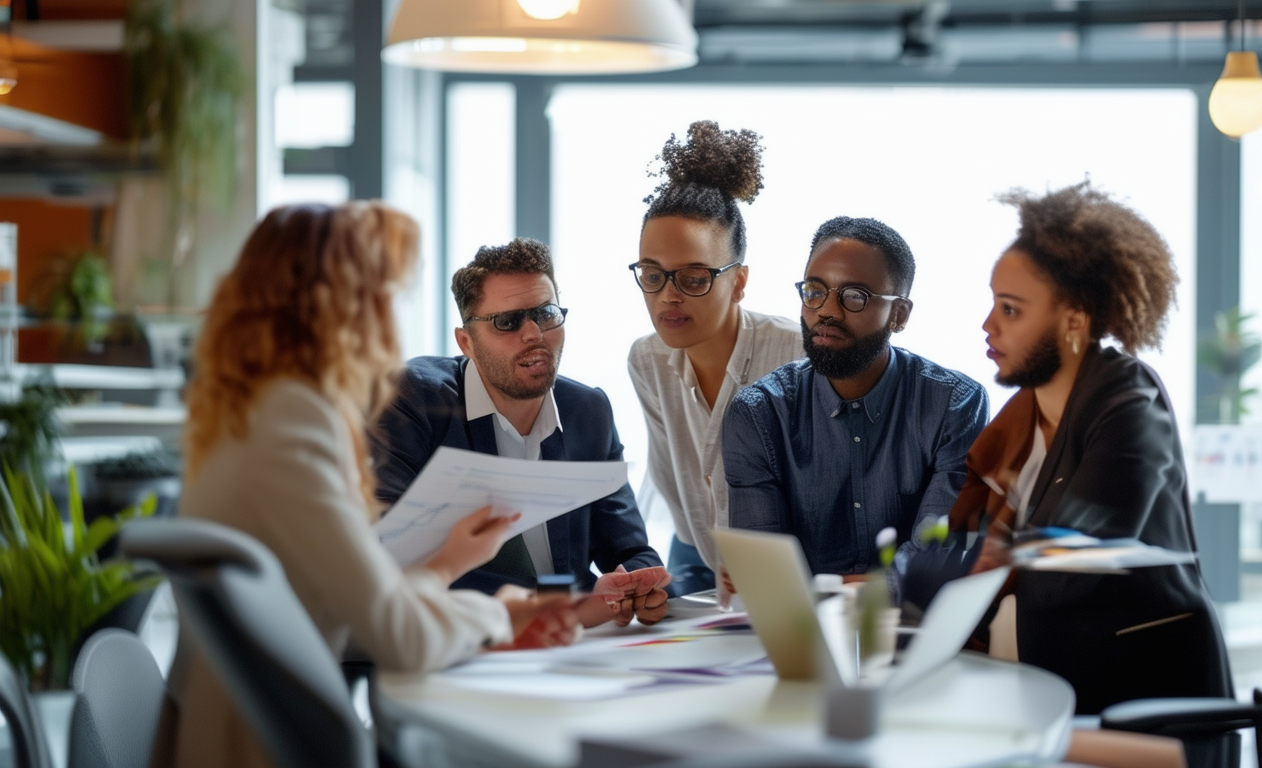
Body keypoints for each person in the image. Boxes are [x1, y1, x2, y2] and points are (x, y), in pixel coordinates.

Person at [174, 203, 579, 768]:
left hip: (235, 728)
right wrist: (502, 614)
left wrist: (443, 566)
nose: (391, 312)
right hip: (272, 746)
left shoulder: (241, 414)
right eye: (384, 292)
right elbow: (396, 638)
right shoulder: (296, 421)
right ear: (336, 303)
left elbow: (354, 601)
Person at [952, 180, 1233, 714]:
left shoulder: (1130, 406)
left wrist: (989, 563)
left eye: (1010, 309)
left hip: (1142, 703)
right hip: (1056, 687)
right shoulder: (1028, 417)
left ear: (1074, 320)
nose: (988, 325)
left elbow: (1076, 555)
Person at [372, 237, 671, 628]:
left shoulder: (588, 411)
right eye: (508, 321)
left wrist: (641, 585)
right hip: (462, 642)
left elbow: (630, 548)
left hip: (573, 642)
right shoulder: (412, 399)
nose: (533, 333)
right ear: (467, 343)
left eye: (546, 313)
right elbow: (384, 552)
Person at [722, 216, 989, 583]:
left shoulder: (955, 405)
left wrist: (836, 591)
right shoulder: (757, 415)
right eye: (815, 290)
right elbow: (768, 578)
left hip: (916, 631)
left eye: (854, 296)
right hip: (802, 633)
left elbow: (934, 557)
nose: (827, 311)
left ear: (899, 315)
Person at [628, 121, 802, 597]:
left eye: (694, 278)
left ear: (739, 282)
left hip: (789, 572)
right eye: (652, 274)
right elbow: (670, 474)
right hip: (696, 555)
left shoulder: (796, 353)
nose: (668, 297)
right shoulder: (647, 360)